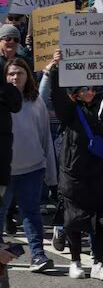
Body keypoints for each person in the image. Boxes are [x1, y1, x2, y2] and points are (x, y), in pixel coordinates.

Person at [49, 72, 103, 280]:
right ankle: (75, 262)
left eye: (92, 88)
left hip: (98, 173)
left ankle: (98, 262)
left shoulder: (100, 107)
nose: (90, 92)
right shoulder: (69, 111)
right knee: (73, 220)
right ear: (76, 93)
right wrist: (55, 72)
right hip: (73, 175)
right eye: (84, 89)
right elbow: (56, 96)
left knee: (99, 221)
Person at [0, 56, 54, 274]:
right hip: (5, 171)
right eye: (11, 74)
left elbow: (45, 136)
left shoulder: (36, 101)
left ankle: (38, 255)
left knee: (31, 213)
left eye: (19, 73)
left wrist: (51, 173)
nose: (15, 77)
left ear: (27, 77)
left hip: (32, 169)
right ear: (5, 77)